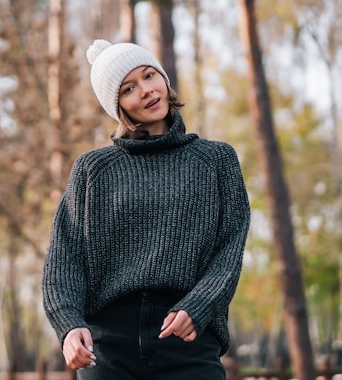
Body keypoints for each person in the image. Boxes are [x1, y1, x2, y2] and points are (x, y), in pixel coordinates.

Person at [42, 39, 251, 379]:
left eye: (149, 75)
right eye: (128, 89)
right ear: (117, 105)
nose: (146, 91)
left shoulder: (216, 160)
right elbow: (65, 258)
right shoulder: (93, 169)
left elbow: (229, 249)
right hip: (108, 348)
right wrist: (68, 325)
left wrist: (199, 306)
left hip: (188, 337)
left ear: (164, 79)